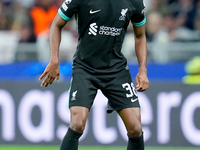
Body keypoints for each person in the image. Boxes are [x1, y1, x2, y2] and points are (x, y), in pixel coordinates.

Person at [39, 0, 149, 149]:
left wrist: (142, 70)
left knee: (135, 128)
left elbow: (140, 36)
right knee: (77, 124)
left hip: (116, 70)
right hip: (85, 68)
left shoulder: (135, 2)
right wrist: (54, 60)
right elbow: (56, 25)